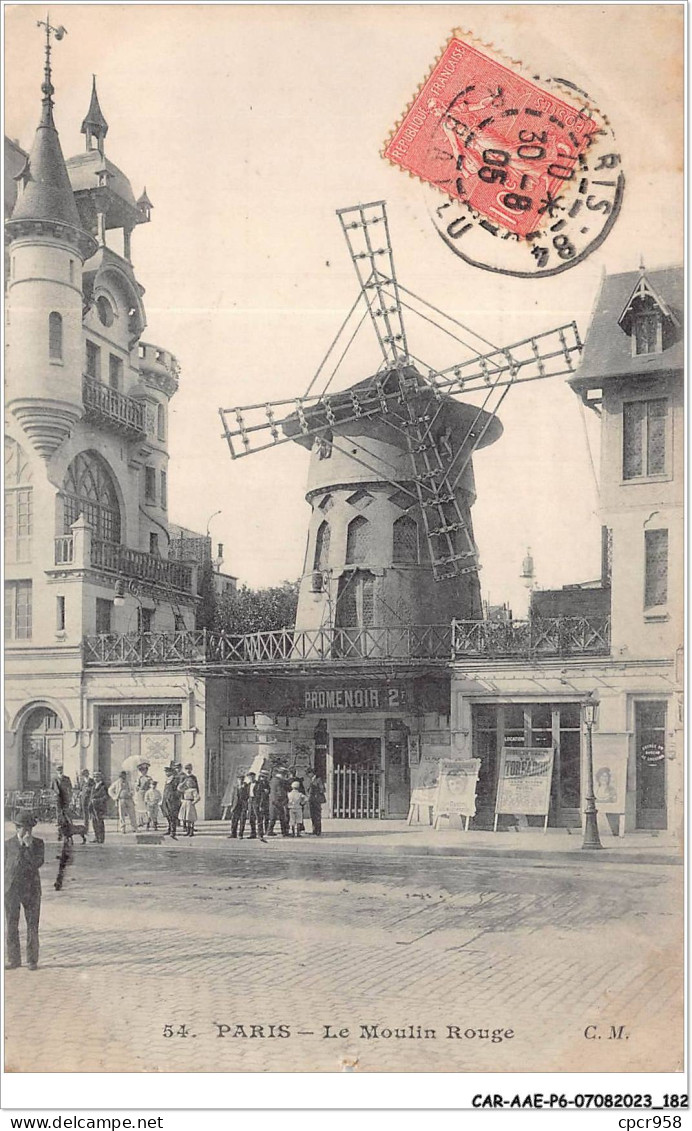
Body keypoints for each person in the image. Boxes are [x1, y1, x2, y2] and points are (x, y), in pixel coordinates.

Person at [5, 810, 45, 970]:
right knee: (11, 925)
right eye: (24, 828)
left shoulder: (38, 844)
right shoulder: (7, 845)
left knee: (32, 925)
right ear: (17, 828)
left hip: (31, 889)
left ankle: (32, 960)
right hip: (11, 889)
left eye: (30, 828)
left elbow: (37, 863)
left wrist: (28, 847)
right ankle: (14, 960)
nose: (27, 832)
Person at [267, 769, 290, 837]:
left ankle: (269, 831)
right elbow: (280, 792)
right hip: (278, 801)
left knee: (273, 817)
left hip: (272, 800)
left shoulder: (272, 780)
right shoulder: (280, 781)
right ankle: (284, 832)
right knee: (282, 817)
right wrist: (284, 800)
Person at [51, 764, 72, 838]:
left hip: (65, 797)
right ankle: (59, 823)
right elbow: (52, 788)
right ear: (56, 771)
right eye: (58, 770)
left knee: (66, 811)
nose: (59, 771)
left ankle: (68, 823)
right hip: (58, 797)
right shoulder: (54, 779)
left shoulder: (66, 778)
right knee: (58, 811)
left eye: (61, 770)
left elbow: (70, 788)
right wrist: (54, 794)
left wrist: (70, 796)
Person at [89, 771, 109, 844]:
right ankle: (96, 837)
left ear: (100, 777)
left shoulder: (103, 786)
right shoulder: (93, 786)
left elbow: (106, 797)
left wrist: (97, 801)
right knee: (94, 822)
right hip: (93, 807)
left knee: (100, 822)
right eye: (94, 777)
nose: (95, 778)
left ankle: (101, 838)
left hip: (100, 807)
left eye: (97, 777)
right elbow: (91, 796)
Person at [306, 767, 327, 837]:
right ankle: (314, 830)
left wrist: (315, 791)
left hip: (316, 799)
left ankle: (318, 830)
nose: (308, 775)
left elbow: (322, 789)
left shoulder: (318, 779)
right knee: (312, 815)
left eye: (308, 773)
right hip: (311, 799)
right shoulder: (311, 780)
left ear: (312, 773)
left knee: (317, 815)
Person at [227, 775, 249, 839]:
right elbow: (233, 797)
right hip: (236, 806)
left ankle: (240, 834)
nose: (240, 781)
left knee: (242, 820)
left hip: (243, 805)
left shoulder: (246, 787)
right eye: (239, 780)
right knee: (234, 820)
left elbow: (247, 796)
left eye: (241, 780)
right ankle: (233, 834)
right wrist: (232, 806)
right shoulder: (235, 787)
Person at [162, 767, 181, 839]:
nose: (166, 773)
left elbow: (178, 790)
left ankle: (173, 831)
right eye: (165, 772)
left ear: (171, 772)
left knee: (173, 816)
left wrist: (174, 797)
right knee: (167, 815)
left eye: (167, 772)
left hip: (172, 800)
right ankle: (169, 829)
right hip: (166, 799)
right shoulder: (167, 780)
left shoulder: (175, 779)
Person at [134, 762, 152, 828]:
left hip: (147, 793)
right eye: (142, 770)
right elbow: (136, 787)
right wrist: (137, 787)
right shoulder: (139, 778)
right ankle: (140, 822)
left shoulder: (149, 778)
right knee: (140, 808)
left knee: (147, 808)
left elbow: (151, 785)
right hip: (140, 794)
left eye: (145, 770)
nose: (144, 772)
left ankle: (148, 822)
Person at [79, 769, 93, 835]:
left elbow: (94, 789)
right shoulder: (82, 781)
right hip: (83, 799)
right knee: (85, 815)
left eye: (86, 773)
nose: (85, 775)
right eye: (84, 774)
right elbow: (80, 790)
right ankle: (86, 829)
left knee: (92, 814)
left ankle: (95, 829)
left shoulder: (92, 781)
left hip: (90, 799)